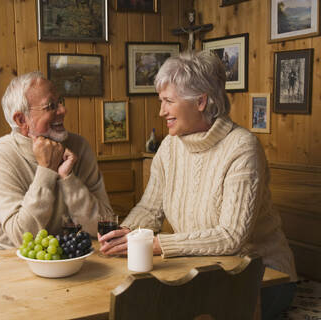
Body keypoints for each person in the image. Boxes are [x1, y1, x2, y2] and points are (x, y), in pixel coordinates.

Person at [98, 51, 297, 320]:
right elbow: (150, 208)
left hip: (263, 278)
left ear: (201, 101)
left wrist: (156, 245)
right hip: (202, 273)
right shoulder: (169, 146)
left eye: (168, 101)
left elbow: (231, 236)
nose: (161, 111)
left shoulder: (242, 148)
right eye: (161, 101)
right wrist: (127, 233)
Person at [0, 71, 113, 251]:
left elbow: (103, 224)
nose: (63, 110)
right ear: (21, 119)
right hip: (5, 256)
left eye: (60, 102)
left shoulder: (79, 146)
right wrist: (46, 169)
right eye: (51, 106)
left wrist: (68, 179)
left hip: (65, 254)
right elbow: (22, 236)